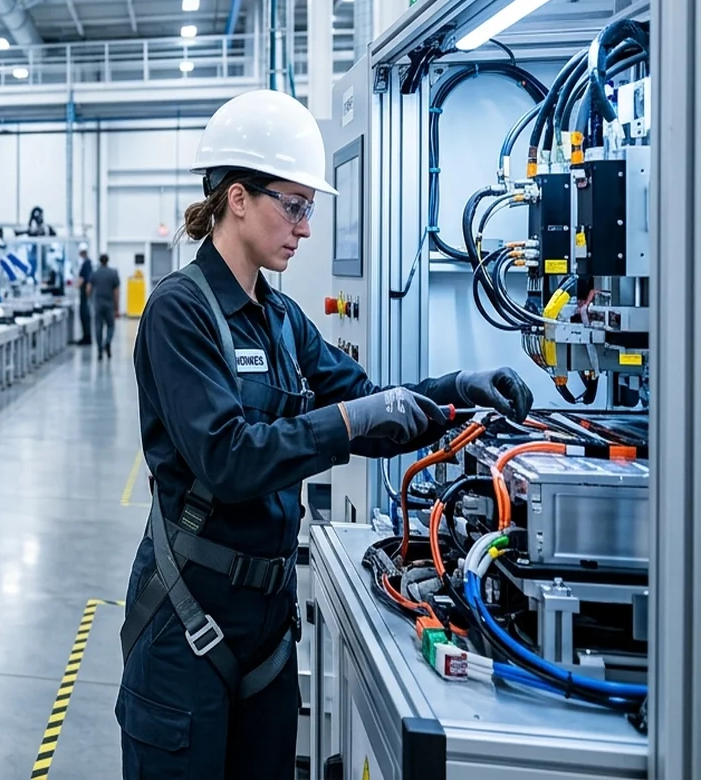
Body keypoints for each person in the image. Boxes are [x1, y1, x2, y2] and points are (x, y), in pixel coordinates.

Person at [115, 89, 535, 779]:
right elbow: (228, 459)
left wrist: (454, 395)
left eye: (311, 209)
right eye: (296, 205)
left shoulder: (281, 319)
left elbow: (365, 402)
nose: (306, 228)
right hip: (189, 619)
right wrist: (346, 424)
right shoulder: (178, 313)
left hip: (267, 623)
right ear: (240, 198)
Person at [90, 253, 122, 359]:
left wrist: (91, 300)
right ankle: (107, 342)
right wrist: (116, 307)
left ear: (100, 261)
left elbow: (88, 289)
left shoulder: (95, 273)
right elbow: (116, 292)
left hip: (98, 304)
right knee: (111, 326)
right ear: (107, 261)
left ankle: (99, 351)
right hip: (109, 304)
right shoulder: (113, 273)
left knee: (98, 327)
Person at [77, 245, 94, 346]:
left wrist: (87, 295)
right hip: (84, 294)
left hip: (84, 295)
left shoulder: (86, 264)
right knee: (84, 316)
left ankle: (87, 337)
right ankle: (86, 336)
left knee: (85, 315)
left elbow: (87, 281)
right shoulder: (86, 263)